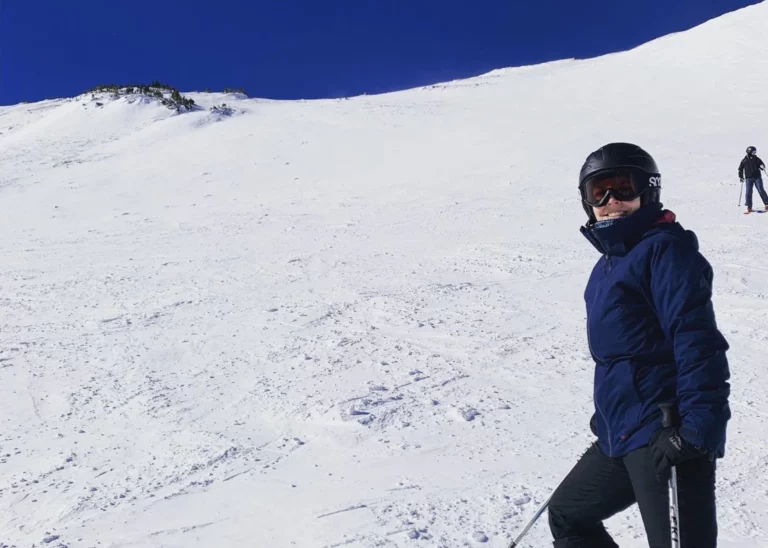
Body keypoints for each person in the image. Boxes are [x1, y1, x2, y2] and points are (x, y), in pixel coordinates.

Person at [547, 143, 731, 547]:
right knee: (568, 516)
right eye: (600, 192)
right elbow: (622, 357)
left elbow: (696, 338)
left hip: (670, 433)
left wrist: (695, 431)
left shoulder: (664, 249)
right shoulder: (607, 266)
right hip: (624, 433)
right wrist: (608, 418)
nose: (612, 202)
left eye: (623, 188)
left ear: (647, 191)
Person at [738, 145, 768, 214]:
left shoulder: (756, 159)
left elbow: (761, 164)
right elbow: (740, 169)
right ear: (749, 152)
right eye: (753, 152)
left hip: (757, 177)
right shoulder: (744, 160)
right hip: (749, 179)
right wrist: (741, 176)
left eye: (755, 152)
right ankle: (749, 206)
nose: (755, 153)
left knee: (761, 190)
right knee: (748, 192)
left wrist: (762, 166)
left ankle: (767, 203)